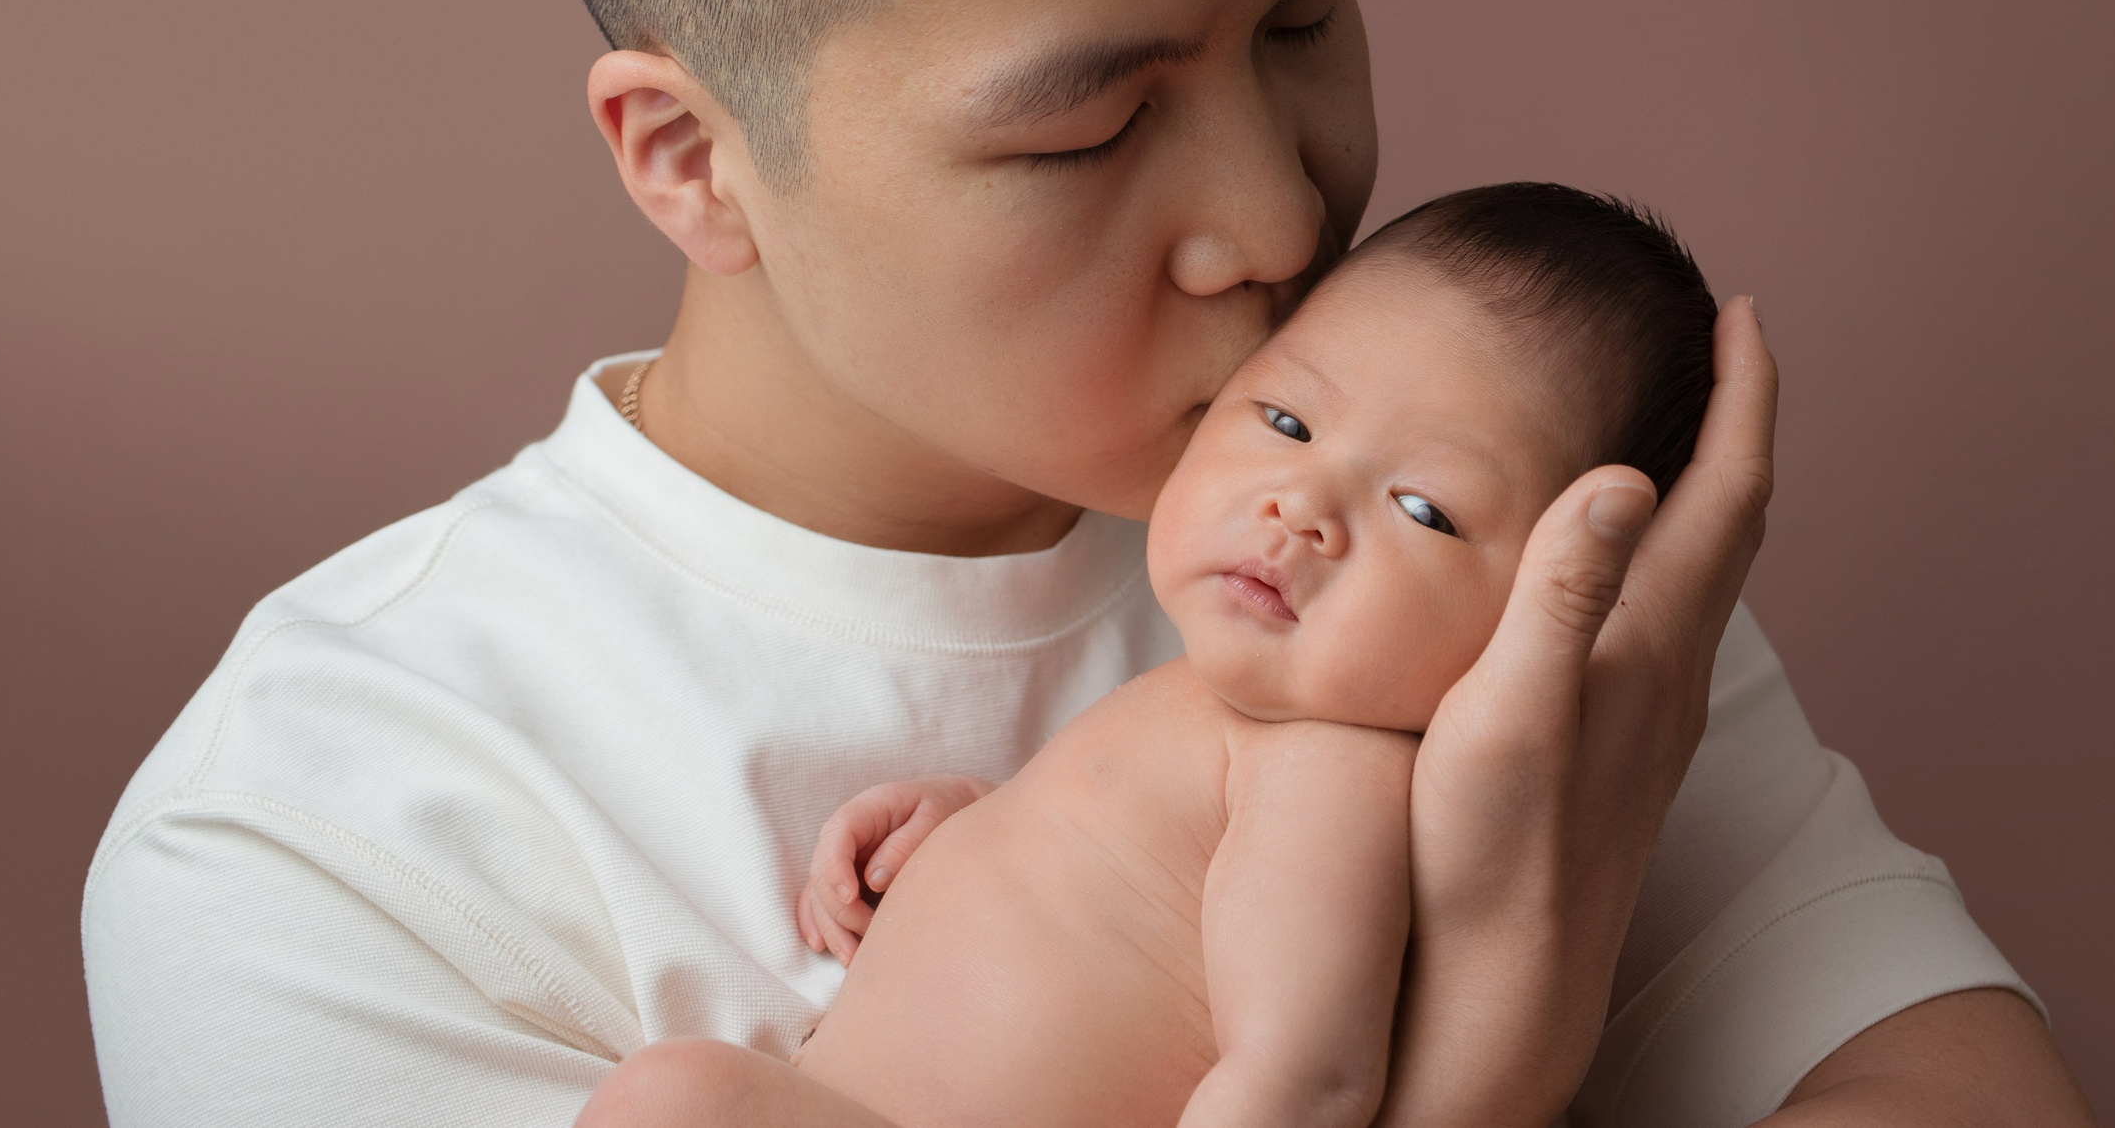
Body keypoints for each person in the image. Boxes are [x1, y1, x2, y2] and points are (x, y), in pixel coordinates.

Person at [81, 0, 2094, 1125]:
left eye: (1306, 18)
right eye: (1087, 127)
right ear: (693, 158)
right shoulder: (330, 831)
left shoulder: (1451, 492)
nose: (1281, 223)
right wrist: (1488, 1048)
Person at [585, 183, 1723, 1128]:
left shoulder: (1326, 775)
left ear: (1553, 611)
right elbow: (1134, 914)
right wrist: (970, 829)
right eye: (1284, 422)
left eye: (1425, 510)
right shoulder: (1215, 709)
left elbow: (1305, 1079)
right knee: (677, 1096)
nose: (1301, 508)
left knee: (672, 1100)